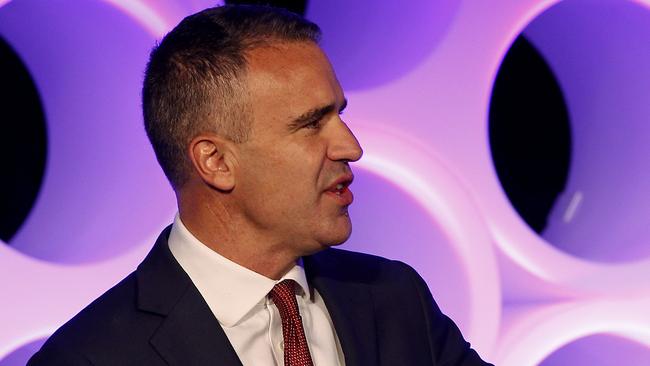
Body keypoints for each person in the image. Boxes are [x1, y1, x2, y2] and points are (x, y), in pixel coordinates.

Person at [29, 5, 492, 366]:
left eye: (340, 114)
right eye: (312, 124)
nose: (351, 147)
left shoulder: (394, 298)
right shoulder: (92, 356)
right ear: (216, 162)